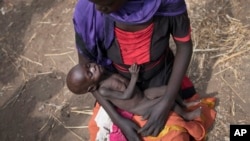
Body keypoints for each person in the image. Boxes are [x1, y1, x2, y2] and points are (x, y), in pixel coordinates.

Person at [68, 0, 199, 140]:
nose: (98, 9)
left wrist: (166, 102)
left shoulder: (165, 3)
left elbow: (184, 47)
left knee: (176, 134)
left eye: (107, 3)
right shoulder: (88, 12)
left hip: (161, 80)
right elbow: (89, 80)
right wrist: (120, 121)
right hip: (125, 101)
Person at [67, 62, 201, 121]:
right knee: (166, 102)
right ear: (91, 88)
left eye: (89, 66)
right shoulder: (103, 90)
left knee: (167, 90)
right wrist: (134, 77)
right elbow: (126, 95)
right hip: (140, 106)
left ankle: (183, 104)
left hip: (143, 94)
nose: (93, 68)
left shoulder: (105, 73)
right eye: (90, 73)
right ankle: (186, 115)